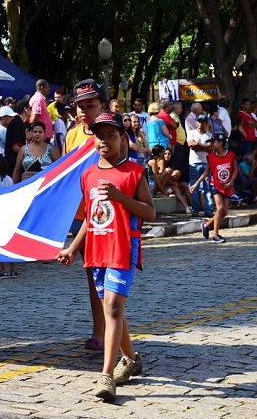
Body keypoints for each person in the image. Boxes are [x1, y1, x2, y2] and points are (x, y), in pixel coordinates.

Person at [56, 111, 155, 401]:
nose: (104, 140)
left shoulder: (134, 172)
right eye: (100, 135)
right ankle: (131, 359)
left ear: (122, 139)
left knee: (112, 307)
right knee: (115, 313)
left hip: (123, 248)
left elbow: (149, 211)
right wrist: (73, 248)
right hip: (96, 250)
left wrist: (120, 197)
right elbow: (90, 216)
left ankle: (106, 375)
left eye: (111, 135)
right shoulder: (87, 175)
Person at [63, 78, 108, 352]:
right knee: (92, 274)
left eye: (89, 106)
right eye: (79, 106)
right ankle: (99, 330)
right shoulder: (72, 134)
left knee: (106, 275)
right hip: (80, 213)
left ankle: (109, 332)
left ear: (102, 105)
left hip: (105, 212)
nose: (83, 112)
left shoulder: (111, 132)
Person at [191, 133, 238, 243]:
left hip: (227, 186)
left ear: (220, 143)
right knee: (220, 208)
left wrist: (231, 182)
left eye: (214, 142)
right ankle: (215, 235)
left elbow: (235, 170)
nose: (211, 144)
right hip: (215, 185)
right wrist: (197, 183)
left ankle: (207, 224)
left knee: (224, 212)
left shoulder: (231, 155)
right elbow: (207, 171)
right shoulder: (211, 157)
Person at [187, 114, 214, 218]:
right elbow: (191, 145)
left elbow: (211, 149)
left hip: (207, 163)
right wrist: (205, 147)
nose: (200, 124)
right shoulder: (191, 133)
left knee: (207, 187)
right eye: (199, 121)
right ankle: (195, 209)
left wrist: (198, 145)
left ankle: (209, 209)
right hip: (194, 163)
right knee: (194, 187)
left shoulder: (209, 135)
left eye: (202, 122)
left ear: (206, 123)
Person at [4, 99, 30, 177]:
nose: (31, 111)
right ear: (25, 109)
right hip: (13, 162)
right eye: (30, 108)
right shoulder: (17, 123)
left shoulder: (19, 123)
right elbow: (16, 147)